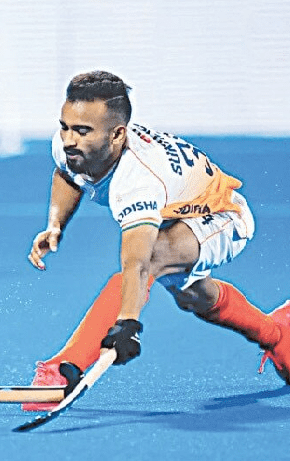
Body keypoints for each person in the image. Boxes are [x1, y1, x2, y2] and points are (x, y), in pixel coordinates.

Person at [23, 70, 290, 412]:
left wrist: (127, 323)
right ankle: (276, 334)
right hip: (176, 209)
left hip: (223, 216)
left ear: (118, 135)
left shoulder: (138, 181)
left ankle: (62, 369)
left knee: (156, 258)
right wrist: (55, 224)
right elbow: (67, 173)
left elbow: (137, 263)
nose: (70, 139)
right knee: (193, 296)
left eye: (82, 132)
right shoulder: (70, 143)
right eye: (65, 127)